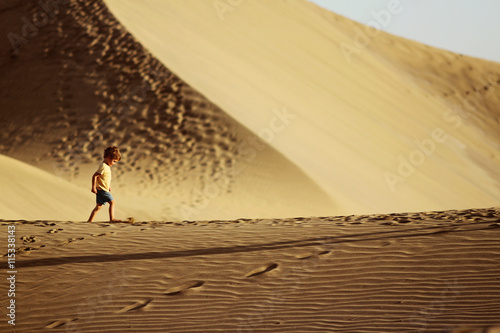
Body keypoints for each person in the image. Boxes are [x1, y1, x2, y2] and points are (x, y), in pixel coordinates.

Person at [87, 146, 121, 222]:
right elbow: (95, 176)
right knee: (112, 203)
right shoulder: (103, 166)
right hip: (102, 190)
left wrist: (108, 186)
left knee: (98, 207)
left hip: (103, 189)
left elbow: (104, 178)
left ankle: (89, 221)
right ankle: (112, 218)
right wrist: (93, 187)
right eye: (114, 161)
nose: (114, 164)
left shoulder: (106, 166)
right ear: (109, 158)